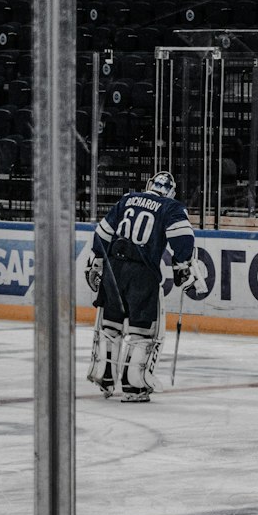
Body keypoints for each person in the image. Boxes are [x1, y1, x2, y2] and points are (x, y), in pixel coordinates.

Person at [85, 170, 197, 402]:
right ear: (171, 191)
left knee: (110, 326)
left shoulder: (127, 199)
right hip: (142, 272)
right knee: (142, 332)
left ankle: (104, 377)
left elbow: (103, 233)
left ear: (149, 185)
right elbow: (183, 239)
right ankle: (133, 385)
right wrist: (181, 266)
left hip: (114, 268)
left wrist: (97, 261)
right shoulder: (171, 207)